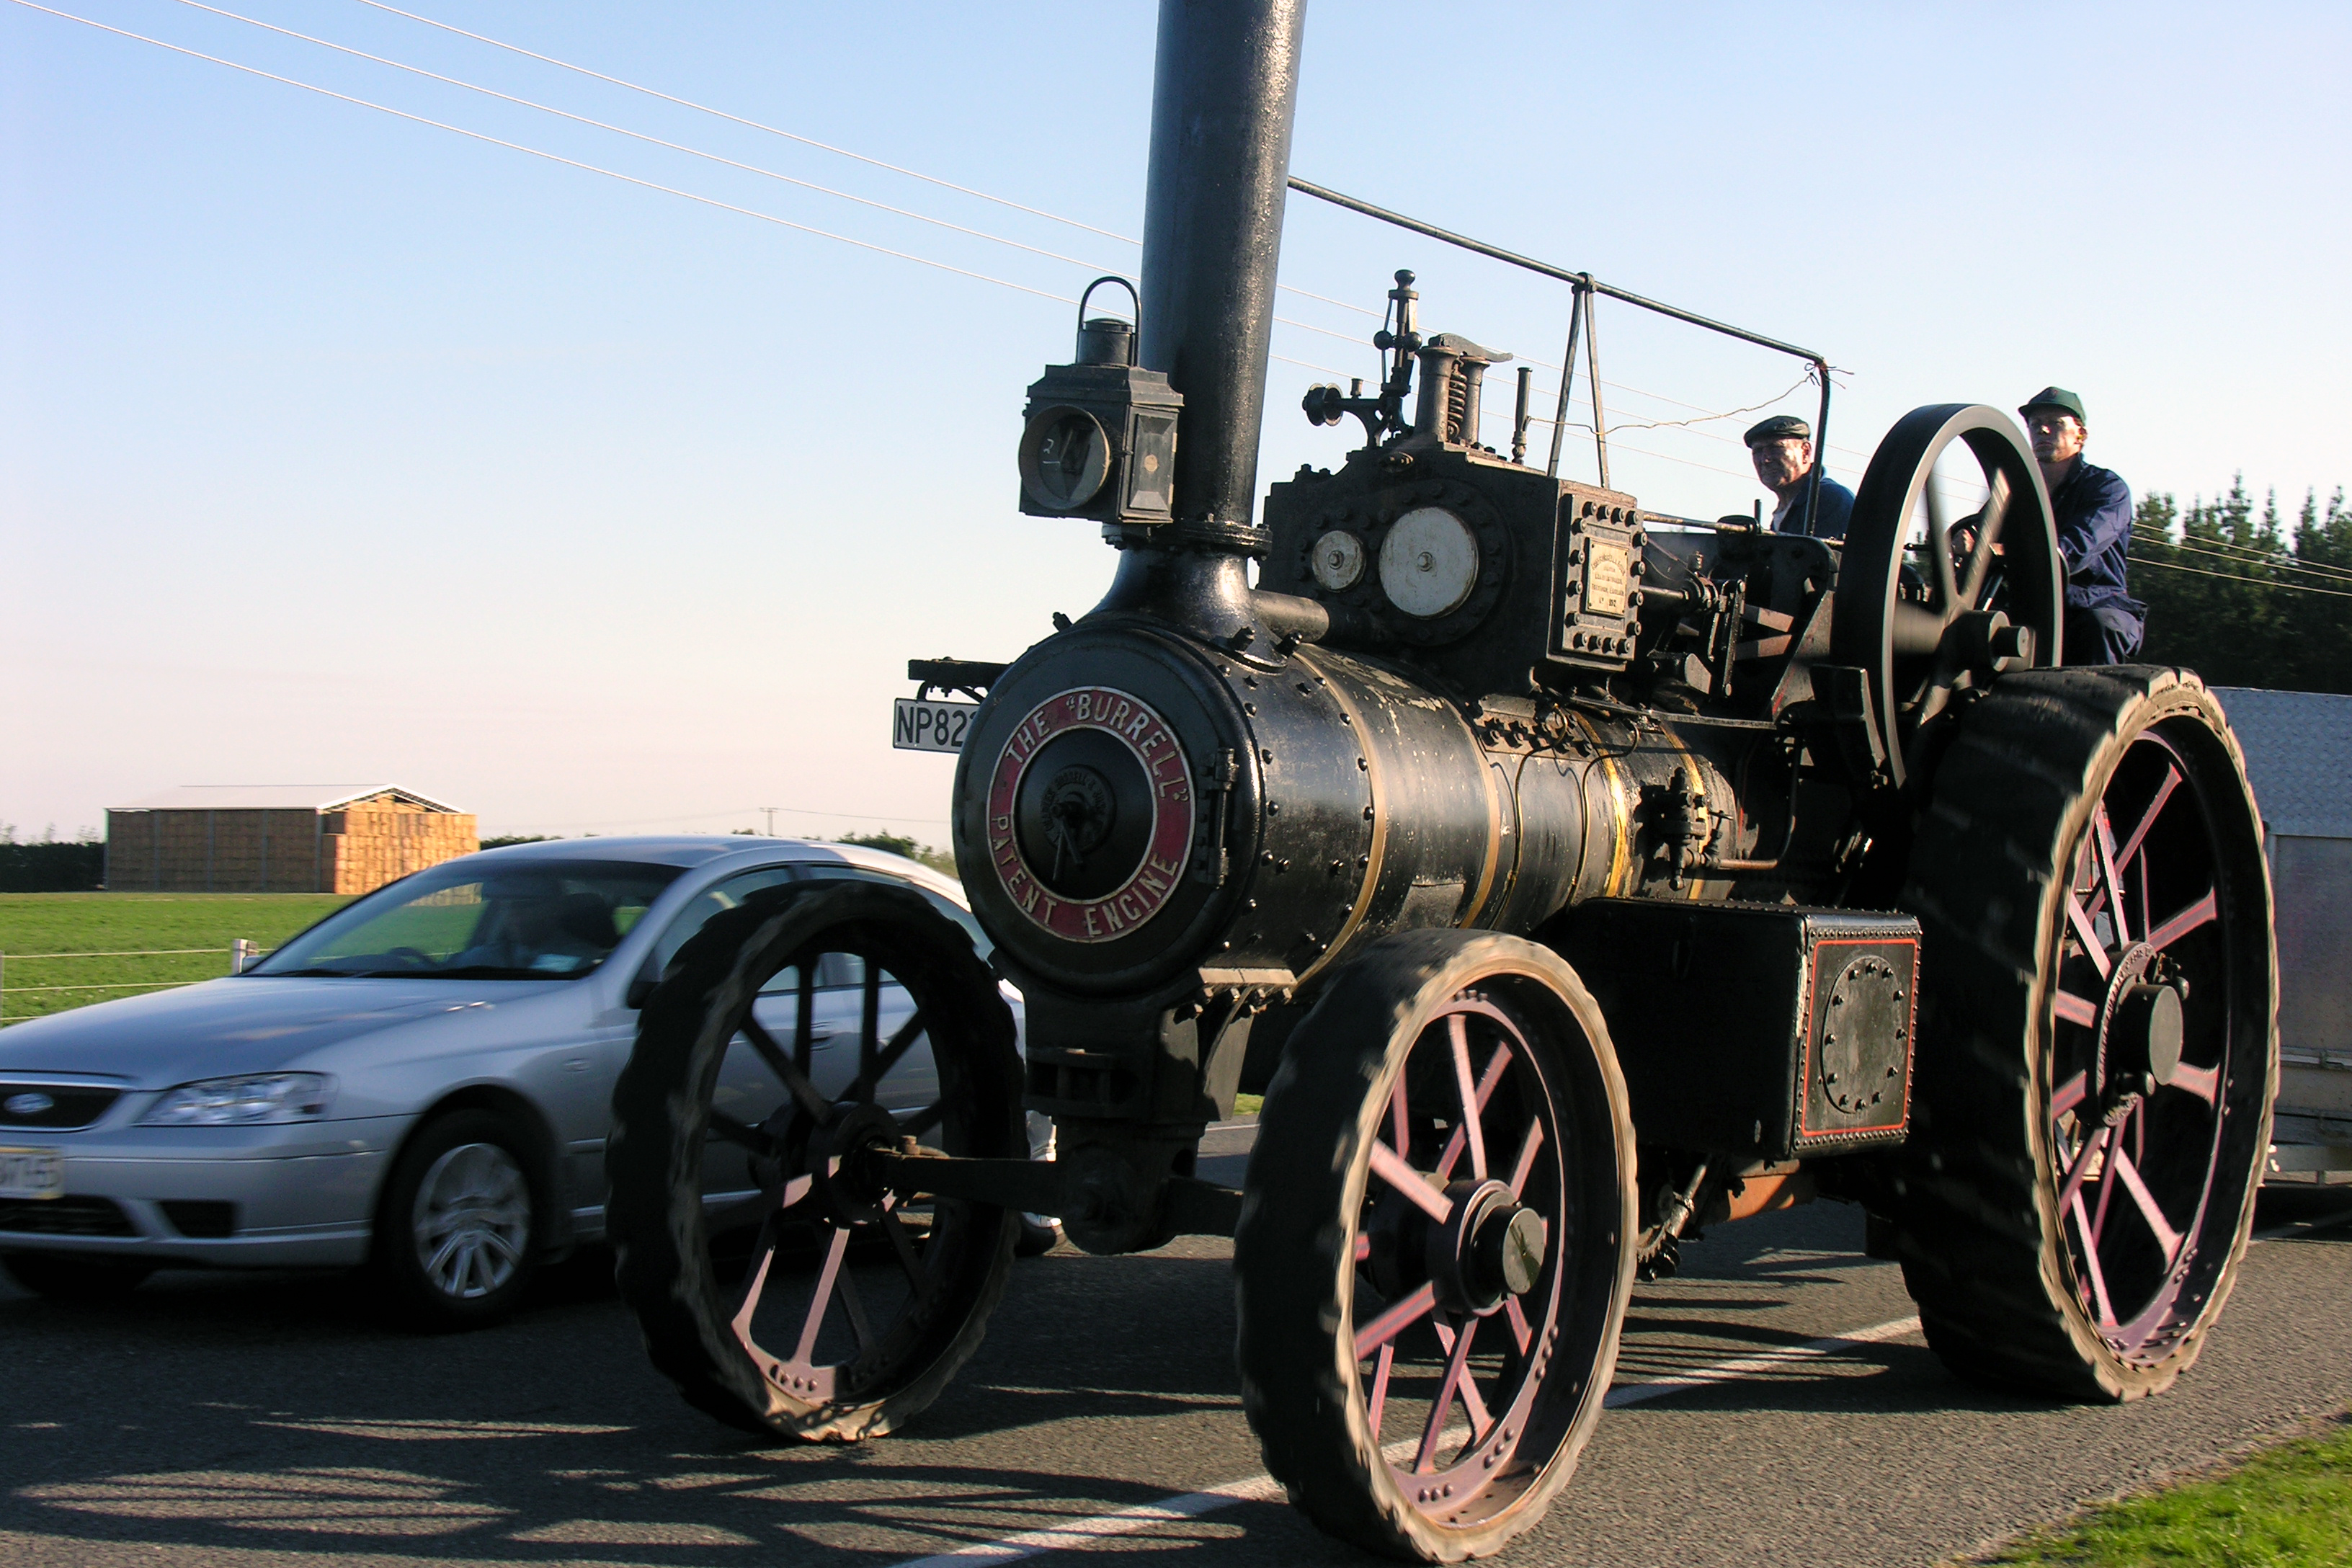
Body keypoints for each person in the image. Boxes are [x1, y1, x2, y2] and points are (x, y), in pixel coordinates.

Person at [2020, 387, 2142, 664]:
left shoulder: (2108, 489)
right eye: (2036, 425)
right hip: (2034, 609)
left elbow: (2081, 544)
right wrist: (1965, 539)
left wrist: (2014, 552)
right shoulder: (2016, 494)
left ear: (2081, 436)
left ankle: (2097, 704)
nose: (2044, 431)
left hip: (2096, 603)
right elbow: (1981, 530)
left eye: (2056, 423)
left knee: (2100, 626)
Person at [1743, 414, 1853, 541]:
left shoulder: (1830, 500)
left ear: (1805, 452)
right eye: (1758, 451)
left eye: (1776, 448)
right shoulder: (1784, 512)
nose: (1765, 459)